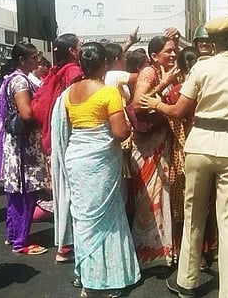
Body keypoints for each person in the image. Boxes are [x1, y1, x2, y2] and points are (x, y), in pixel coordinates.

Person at [141, 17, 228, 298]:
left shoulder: (203, 67)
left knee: (194, 215)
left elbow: (180, 110)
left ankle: (188, 282)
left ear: (212, 43)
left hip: (201, 142)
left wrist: (156, 103)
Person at [51, 41, 141, 298]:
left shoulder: (69, 93)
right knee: (106, 217)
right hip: (100, 160)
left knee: (84, 217)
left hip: (76, 157)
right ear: (105, 64)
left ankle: (86, 274)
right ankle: (105, 278)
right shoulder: (107, 93)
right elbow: (119, 132)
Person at [0, 41, 49, 255]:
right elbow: (26, 113)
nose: (37, 60)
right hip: (23, 147)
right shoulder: (21, 82)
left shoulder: (10, 79)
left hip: (16, 144)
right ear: (22, 60)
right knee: (24, 193)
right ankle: (20, 241)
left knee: (15, 193)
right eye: (33, 57)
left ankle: (14, 235)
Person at [31, 33, 83, 263]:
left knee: (62, 191)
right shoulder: (73, 72)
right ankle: (69, 244)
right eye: (79, 46)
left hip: (53, 135)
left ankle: (63, 243)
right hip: (70, 136)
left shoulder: (54, 71)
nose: (81, 49)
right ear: (72, 50)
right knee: (73, 192)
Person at [129, 35, 180, 271]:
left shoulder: (165, 70)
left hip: (160, 142)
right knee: (148, 200)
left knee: (163, 196)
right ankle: (146, 250)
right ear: (154, 55)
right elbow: (139, 103)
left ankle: (163, 250)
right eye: (168, 51)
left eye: (174, 50)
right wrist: (163, 84)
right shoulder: (150, 73)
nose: (172, 54)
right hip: (147, 146)